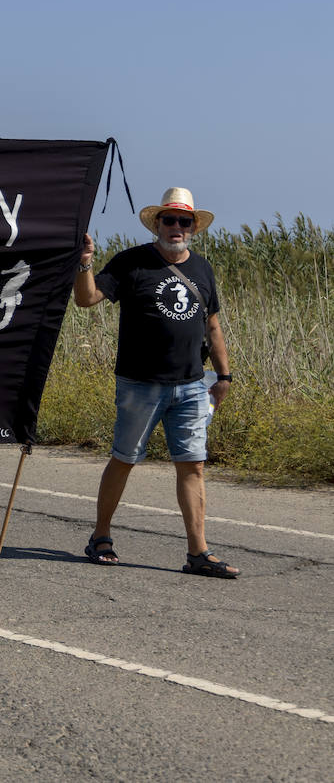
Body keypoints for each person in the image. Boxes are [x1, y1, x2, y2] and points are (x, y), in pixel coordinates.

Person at [74, 187, 238, 578]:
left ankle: (198, 553)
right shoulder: (132, 263)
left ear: (193, 226)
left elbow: (212, 325)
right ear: (157, 224)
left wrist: (225, 374)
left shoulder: (202, 268)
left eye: (184, 221)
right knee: (125, 458)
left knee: (193, 466)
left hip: (193, 385)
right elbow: (88, 298)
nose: (177, 227)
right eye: (170, 220)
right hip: (140, 384)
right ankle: (100, 536)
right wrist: (83, 265)